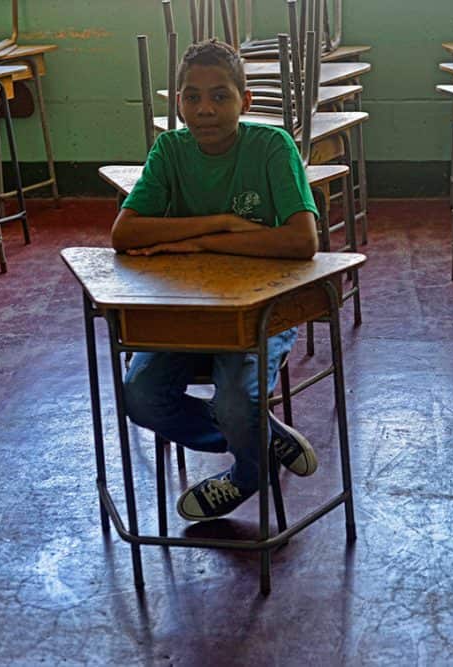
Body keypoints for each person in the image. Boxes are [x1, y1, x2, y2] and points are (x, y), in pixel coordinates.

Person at [110, 39, 321, 522]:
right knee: (140, 396)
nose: (204, 109)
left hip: (261, 306)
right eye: (191, 96)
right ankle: (262, 437)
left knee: (236, 400)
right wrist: (223, 223)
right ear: (177, 101)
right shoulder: (169, 149)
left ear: (246, 101)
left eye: (220, 96)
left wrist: (199, 244)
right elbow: (126, 232)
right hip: (186, 308)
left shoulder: (272, 146)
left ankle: (248, 472)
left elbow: (300, 241)